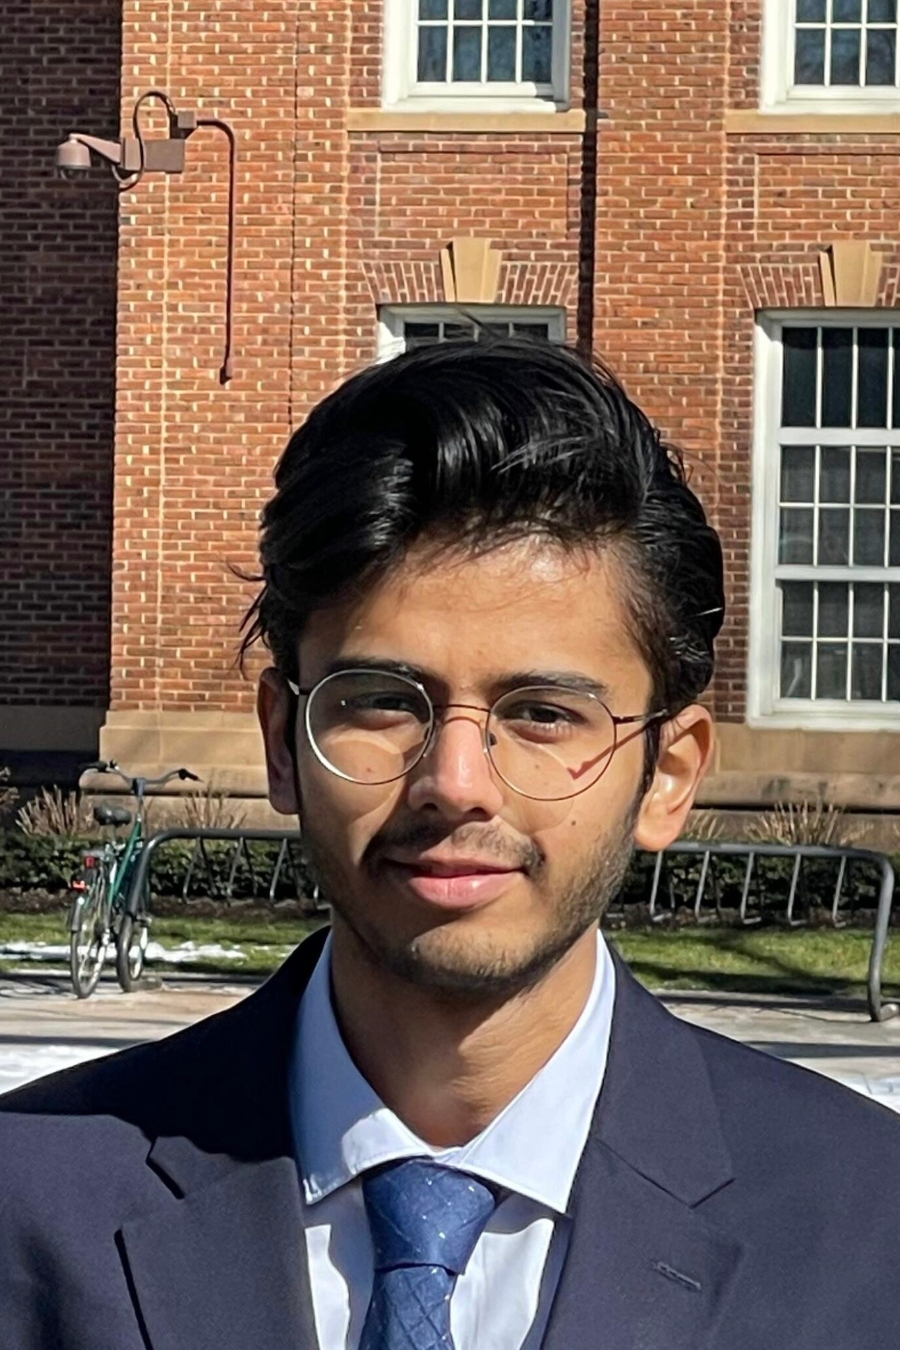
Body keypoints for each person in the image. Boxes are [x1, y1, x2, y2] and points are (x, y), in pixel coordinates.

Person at [1, 339, 898, 1350]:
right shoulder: (32, 1206)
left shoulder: (865, 1225)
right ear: (282, 743)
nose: (454, 783)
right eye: (382, 701)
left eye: (544, 713)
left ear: (671, 775)